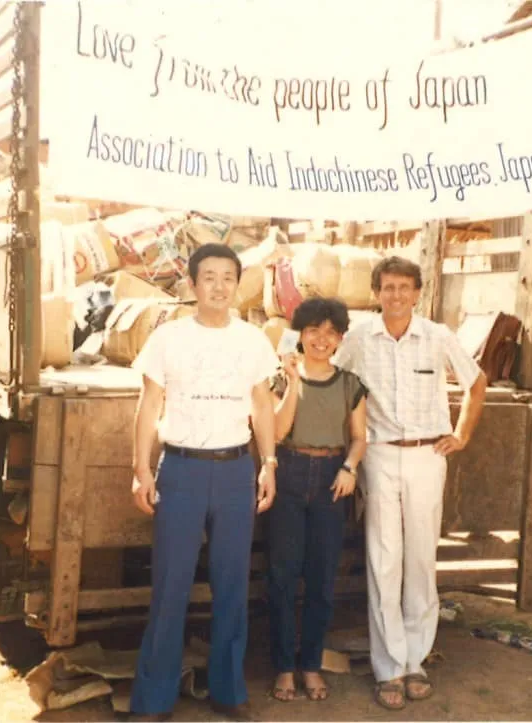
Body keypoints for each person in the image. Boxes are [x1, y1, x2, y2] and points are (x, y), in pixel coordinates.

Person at [128, 243, 279, 722]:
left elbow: (262, 405)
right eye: (209, 277)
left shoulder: (253, 340)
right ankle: (154, 699)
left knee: (233, 584)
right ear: (192, 284)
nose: (219, 286)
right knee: (170, 585)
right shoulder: (168, 338)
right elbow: (149, 406)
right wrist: (141, 469)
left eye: (228, 277)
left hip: (235, 470)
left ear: (238, 284)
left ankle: (227, 690)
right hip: (182, 470)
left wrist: (268, 463)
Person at [333, 256, 487, 711]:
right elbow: (333, 381)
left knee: (421, 558)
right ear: (376, 292)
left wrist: (461, 434)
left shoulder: (437, 336)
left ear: (418, 293)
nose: (396, 295)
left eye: (404, 287)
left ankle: (416, 659)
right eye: (388, 287)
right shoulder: (360, 338)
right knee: (384, 559)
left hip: (428, 455)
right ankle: (389, 668)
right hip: (379, 455)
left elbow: (477, 382)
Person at [267, 297, 368, 704]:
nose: (321, 339)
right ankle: (283, 667)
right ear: (301, 335)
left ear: (340, 338)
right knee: (282, 576)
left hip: (332, 480)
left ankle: (310, 664)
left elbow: (359, 437)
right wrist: (294, 382)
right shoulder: (281, 378)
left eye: (330, 332)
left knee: (322, 579)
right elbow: (276, 432)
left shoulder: (349, 384)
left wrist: (349, 468)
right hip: (289, 474)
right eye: (313, 331)